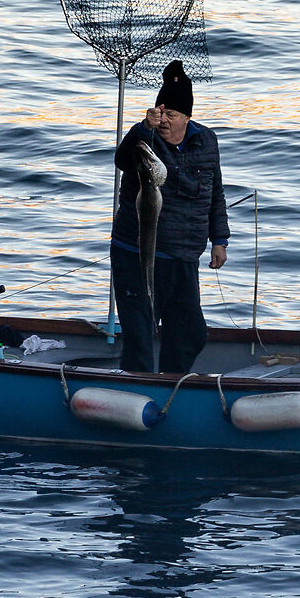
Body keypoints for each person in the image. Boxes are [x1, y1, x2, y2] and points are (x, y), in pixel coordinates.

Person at [111, 59, 229, 375]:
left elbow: (215, 192)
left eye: (171, 115)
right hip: (138, 253)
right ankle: (137, 390)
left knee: (191, 332)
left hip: (184, 256)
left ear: (187, 117)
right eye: (160, 113)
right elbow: (122, 160)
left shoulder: (207, 140)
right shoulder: (145, 139)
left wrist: (219, 239)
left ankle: (171, 383)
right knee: (140, 337)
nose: (164, 120)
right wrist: (142, 128)